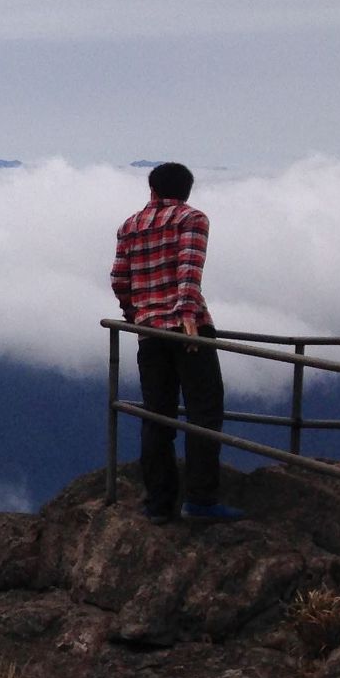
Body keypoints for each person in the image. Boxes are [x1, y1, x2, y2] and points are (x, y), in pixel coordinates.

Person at [112, 162, 242, 521]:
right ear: (186, 191)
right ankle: (200, 500)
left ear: (151, 190)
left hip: (149, 332)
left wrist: (134, 314)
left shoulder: (130, 225)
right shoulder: (192, 219)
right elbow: (189, 269)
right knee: (204, 412)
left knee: (157, 417)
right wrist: (186, 317)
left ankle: (158, 504)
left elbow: (119, 280)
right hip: (188, 331)